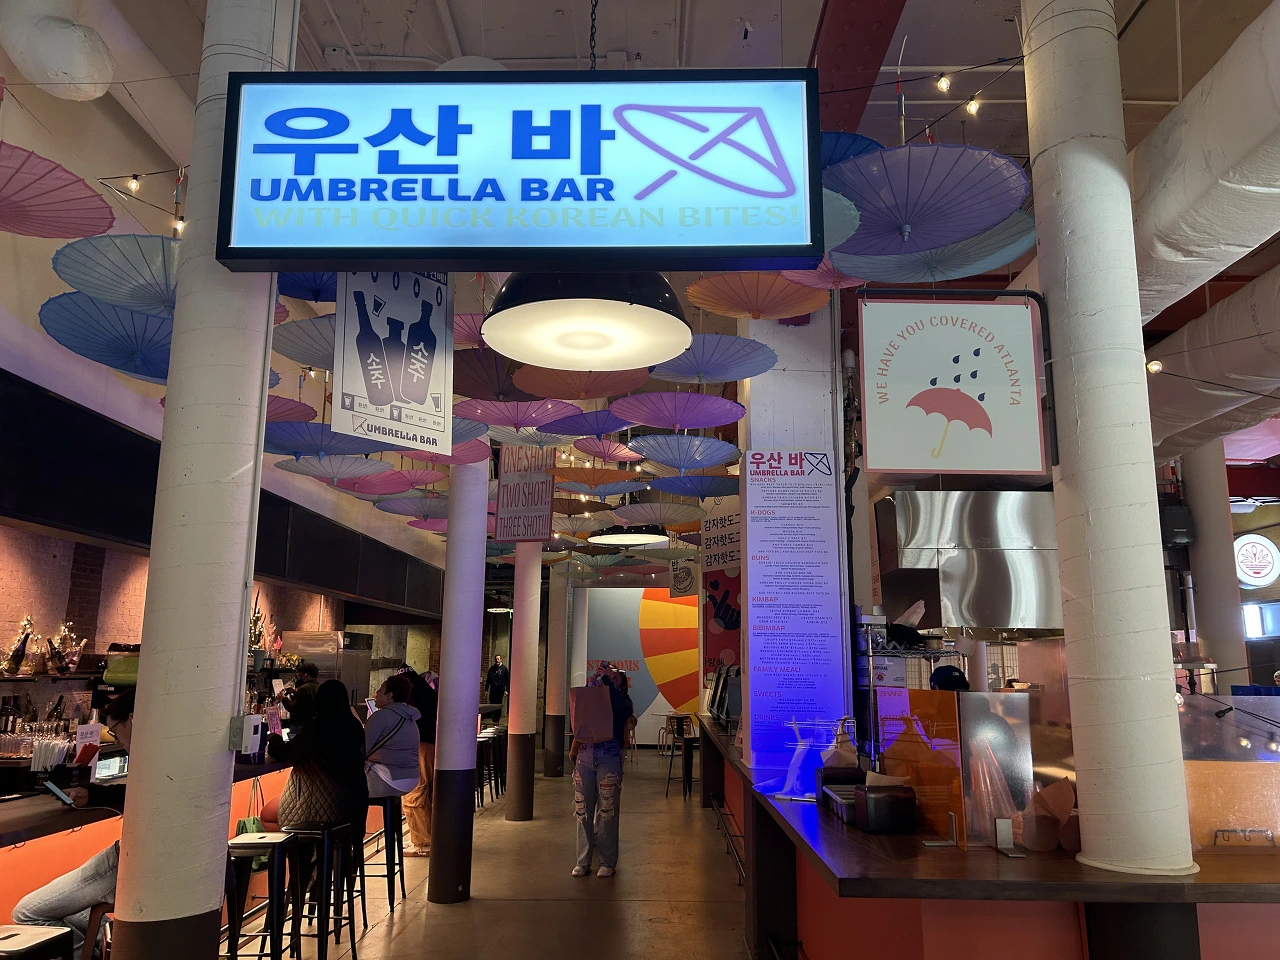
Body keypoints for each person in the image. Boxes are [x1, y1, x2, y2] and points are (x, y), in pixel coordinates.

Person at [13, 689, 135, 956]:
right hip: (139, 859)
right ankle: (104, 946)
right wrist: (93, 795)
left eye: (115, 731)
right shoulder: (168, 751)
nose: (117, 740)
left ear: (133, 719)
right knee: (68, 911)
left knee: (27, 913)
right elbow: (136, 794)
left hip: (130, 860)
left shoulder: (153, 755)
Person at [268, 679, 367, 830]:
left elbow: (287, 753)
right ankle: (326, 846)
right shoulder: (355, 726)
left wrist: (275, 739)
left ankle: (300, 845)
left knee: (268, 815)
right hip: (355, 800)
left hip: (323, 802)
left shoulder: (318, 727)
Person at [569, 663, 635, 879]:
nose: (610, 680)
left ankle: (607, 861)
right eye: (608, 676)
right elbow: (579, 718)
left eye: (615, 679)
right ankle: (583, 861)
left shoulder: (623, 702)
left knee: (607, 809)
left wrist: (606, 682)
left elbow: (622, 710)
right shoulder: (594, 696)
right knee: (583, 809)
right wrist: (592, 683)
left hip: (609, 755)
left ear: (622, 686)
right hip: (586, 755)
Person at [400, 666, 438, 857]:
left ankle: (422, 842)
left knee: (415, 793)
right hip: (430, 745)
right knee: (426, 792)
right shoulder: (427, 693)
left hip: (418, 747)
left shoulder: (412, 699)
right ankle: (425, 837)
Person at [364, 675, 421, 797]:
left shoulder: (380, 716)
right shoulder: (410, 717)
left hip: (388, 779)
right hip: (412, 779)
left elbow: (362, 750)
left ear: (389, 695)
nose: (376, 693)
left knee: (341, 785)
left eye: (380, 690)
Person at [282, 662, 321, 729]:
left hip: (301, 725)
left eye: (300, 674)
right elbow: (308, 699)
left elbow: (294, 709)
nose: (299, 676)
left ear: (306, 674)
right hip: (313, 724)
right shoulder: (319, 686)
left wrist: (283, 698)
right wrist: (295, 692)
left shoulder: (304, 688)